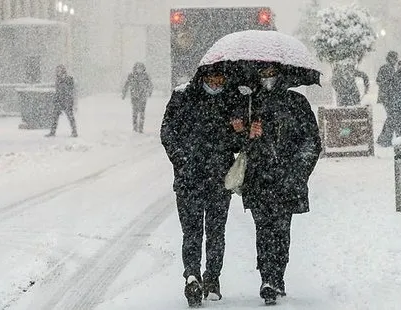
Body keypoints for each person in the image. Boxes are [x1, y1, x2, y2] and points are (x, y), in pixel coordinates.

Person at [231, 62, 321, 305]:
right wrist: (246, 134)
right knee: (263, 229)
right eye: (263, 74)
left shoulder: (297, 103)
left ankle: (277, 276)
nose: (268, 79)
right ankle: (267, 278)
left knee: (281, 230)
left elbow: (311, 141)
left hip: (286, 179)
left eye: (272, 74)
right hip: (259, 178)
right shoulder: (250, 104)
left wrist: (298, 171)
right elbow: (238, 146)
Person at [160, 64, 238, 308]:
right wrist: (183, 161)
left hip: (219, 178)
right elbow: (167, 132)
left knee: (216, 232)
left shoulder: (231, 98)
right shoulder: (183, 96)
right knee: (192, 232)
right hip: (189, 179)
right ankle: (192, 276)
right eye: (212, 77)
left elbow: (237, 144)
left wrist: (238, 131)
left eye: (221, 78)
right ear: (202, 76)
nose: (216, 83)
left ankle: (212, 278)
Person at [375, 51, 400, 147]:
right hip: (387, 97)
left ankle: (383, 138)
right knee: (392, 118)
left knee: (391, 118)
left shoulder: (392, 68)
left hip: (390, 96)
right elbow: (379, 81)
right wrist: (388, 82)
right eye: (394, 58)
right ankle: (385, 139)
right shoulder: (385, 68)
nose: (395, 60)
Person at [46, 65, 77, 137]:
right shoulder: (58, 80)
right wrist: (56, 100)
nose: (57, 72)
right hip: (59, 101)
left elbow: (70, 91)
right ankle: (52, 132)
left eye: (59, 70)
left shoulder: (69, 79)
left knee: (70, 117)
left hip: (67, 101)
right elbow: (58, 91)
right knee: (55, 117)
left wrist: (69, 101)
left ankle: (74, 131)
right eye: (57, 71)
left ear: (63, 71)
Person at [122, 62, 153, 133]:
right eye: (138, 68)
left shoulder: (146, 76)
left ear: (143, 69)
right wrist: (124, 93)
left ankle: (141, 128)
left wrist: (150, 92)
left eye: (140, 68)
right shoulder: (131, 76)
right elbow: (126, 84)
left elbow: (150, 84)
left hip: (143, 97)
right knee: (135, 112)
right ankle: (135, 127)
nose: (139, 69)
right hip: (134, 96)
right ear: (135, 68)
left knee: (142, 112)